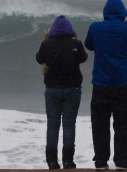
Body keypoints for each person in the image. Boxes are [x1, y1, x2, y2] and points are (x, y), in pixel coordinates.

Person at [84, 0, 127, 171]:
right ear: (123, 11)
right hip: (123, 84)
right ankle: (122, 163)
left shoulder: (95, 28)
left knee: (100, 125)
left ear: (105, 11)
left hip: (101, 84)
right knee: (123, 125)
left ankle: (100, 162)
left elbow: (89, 46)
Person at [36, 15, 88, 170]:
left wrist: (46, 39)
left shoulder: (46, 44)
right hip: (72, 88)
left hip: (52, 89)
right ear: (70, 30)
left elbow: (39, 59)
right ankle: (68, 161)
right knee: (69, 125)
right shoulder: (76, 43)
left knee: (52, 125)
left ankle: (52, 161)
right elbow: (83, 58)